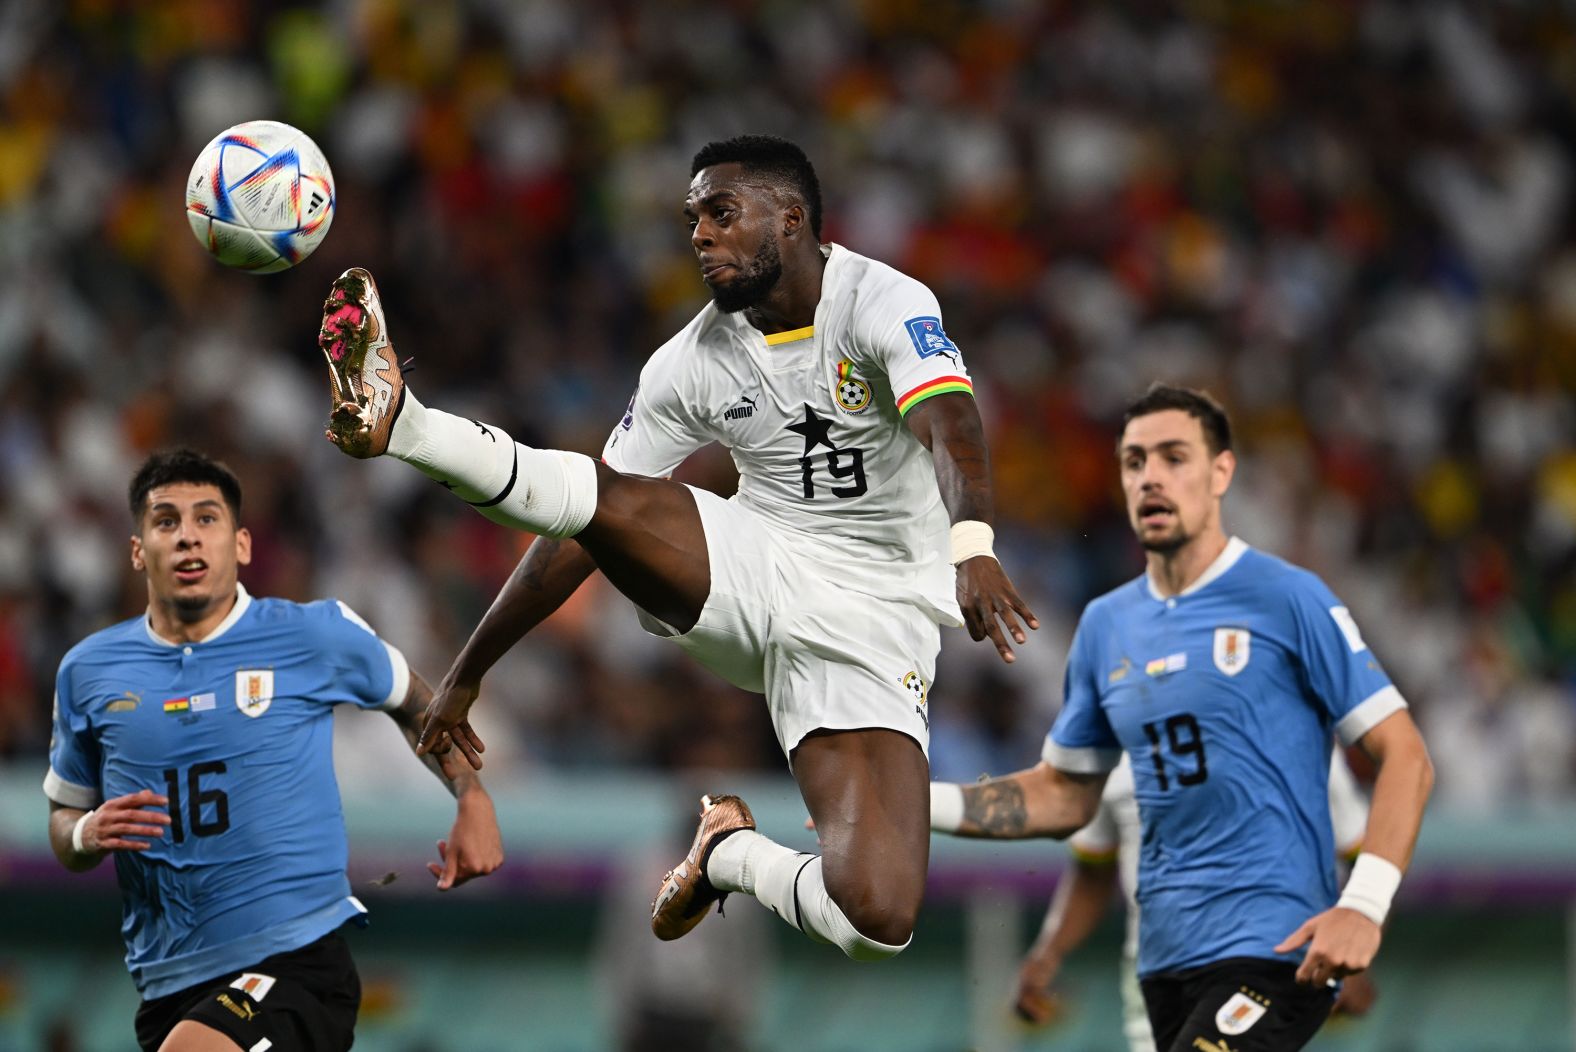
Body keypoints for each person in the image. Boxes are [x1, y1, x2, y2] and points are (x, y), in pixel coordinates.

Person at [315, 134, 1037, 962]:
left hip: (877, 622)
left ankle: (725, 853)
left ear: (790, 219)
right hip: (755, 563)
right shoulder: (690, 362)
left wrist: (972, 543)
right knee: (607, 493)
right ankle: (402, 420)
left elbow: (949, 422)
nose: (698, 234)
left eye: (721, 213)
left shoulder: (881, 300)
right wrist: (472, 668)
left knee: (878, 920)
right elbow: (588, 518)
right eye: (692, 217)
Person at [926, 384, 1433, 1052]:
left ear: (1221, 472)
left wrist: (1363, 907)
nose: (1151, 477)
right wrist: (913, 802)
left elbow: (1407, 756)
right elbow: (1063, 794)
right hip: (1163, 967)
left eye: (1174, 457)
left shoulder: (1287, 598)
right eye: (1135, 462)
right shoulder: (1108, 626)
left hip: (1274, 950)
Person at [43, 449, 504, 1052]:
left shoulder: (311, 634)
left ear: (241, 545)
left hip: (295, 961)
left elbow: (418, 703)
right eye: (166, 522)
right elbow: (63, 820)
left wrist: (473, 798)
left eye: (206, 519)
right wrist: (85, 834)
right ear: (137, 550)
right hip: (166, 983)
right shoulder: (88, 671)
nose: (187, 538)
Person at [1012, 750, 1377, 1051]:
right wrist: (1048, 953)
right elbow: (1093, 872)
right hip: (1156, 971)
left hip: (1272, 963)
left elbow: (1364, 858)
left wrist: (1354, 954)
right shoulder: (1110, 752)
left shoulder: (1298, 736)